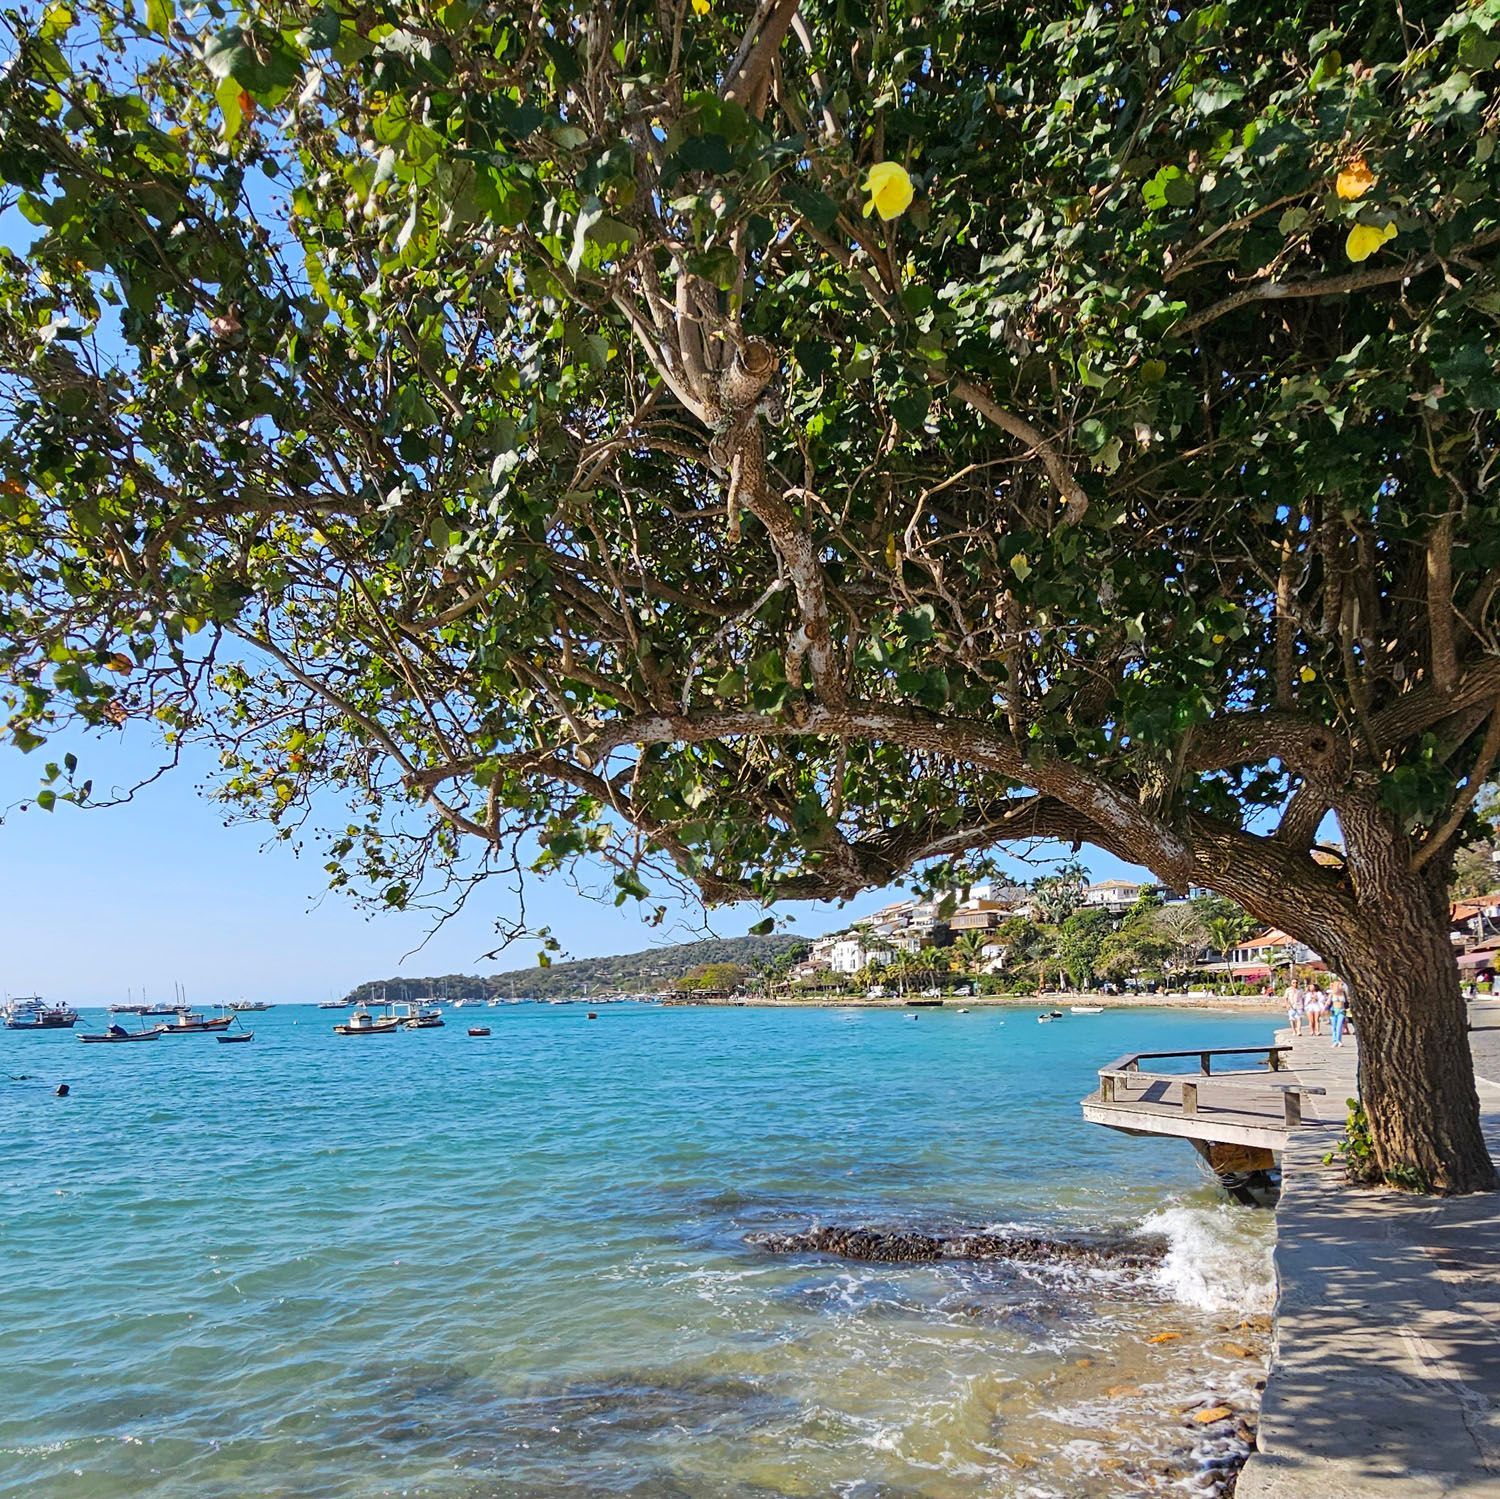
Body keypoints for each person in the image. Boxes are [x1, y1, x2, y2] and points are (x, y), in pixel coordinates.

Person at [1329, 981, 1349, 1047]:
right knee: (1334, 1026)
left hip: (1341, 1010)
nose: (1341, 986)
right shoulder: (1332, 993)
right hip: (1334, 1010)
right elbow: (1328, 1002)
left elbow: (1347, 1001)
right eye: (1340, 985)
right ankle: (1334, 1041)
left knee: (1339, 1026)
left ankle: (1339, 1040)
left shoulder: (1343, 993)